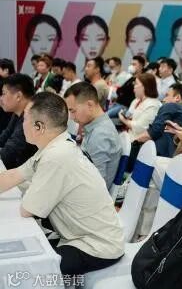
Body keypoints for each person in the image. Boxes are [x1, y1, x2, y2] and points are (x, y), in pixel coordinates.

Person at [0, 92, 124, 275]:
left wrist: (34, 186)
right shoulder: (54, 146)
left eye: (25, 119)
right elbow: (14, 175)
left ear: (39, 127)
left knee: (25, 271)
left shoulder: (57, 156)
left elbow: (27, 210)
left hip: (96, 246)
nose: (22, 124)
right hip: (79, 236)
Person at [64, 82, 123, 189]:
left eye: (73, 111)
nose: (72, 117)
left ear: (90, 105)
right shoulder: (98, 127)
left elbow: (96, 187)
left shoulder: (100, 135)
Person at [134, 82, 182, 158]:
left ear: (177, 98)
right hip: (169, 156)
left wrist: (133, 141)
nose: (163, 99)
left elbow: (153, 132)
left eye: (167, 95)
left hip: (157, 156)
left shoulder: (172, 106)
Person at [0, 74, 38, 169]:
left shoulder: (31, 117)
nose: (1, 98)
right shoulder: (18, 112)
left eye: (3, 93)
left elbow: (7, 155)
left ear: (18, 96)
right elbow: (3, 138)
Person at [118, 73, 161, 139]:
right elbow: (129, 115)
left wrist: (123, 120)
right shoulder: (136, 100)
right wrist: (124, 115)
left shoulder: (153, 105)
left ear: (145, 86)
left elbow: (140, 127)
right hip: (128, 134)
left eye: (136, 83)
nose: (134, 86)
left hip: (136, 140)